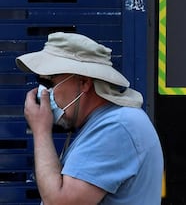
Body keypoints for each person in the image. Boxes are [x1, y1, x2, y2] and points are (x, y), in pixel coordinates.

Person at [16, 32, 164, 204]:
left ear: (84, 82)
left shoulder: (117, 127)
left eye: (50, 83)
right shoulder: (101, 123)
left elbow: (60, 202)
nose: (44, 93)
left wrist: (41, 130)